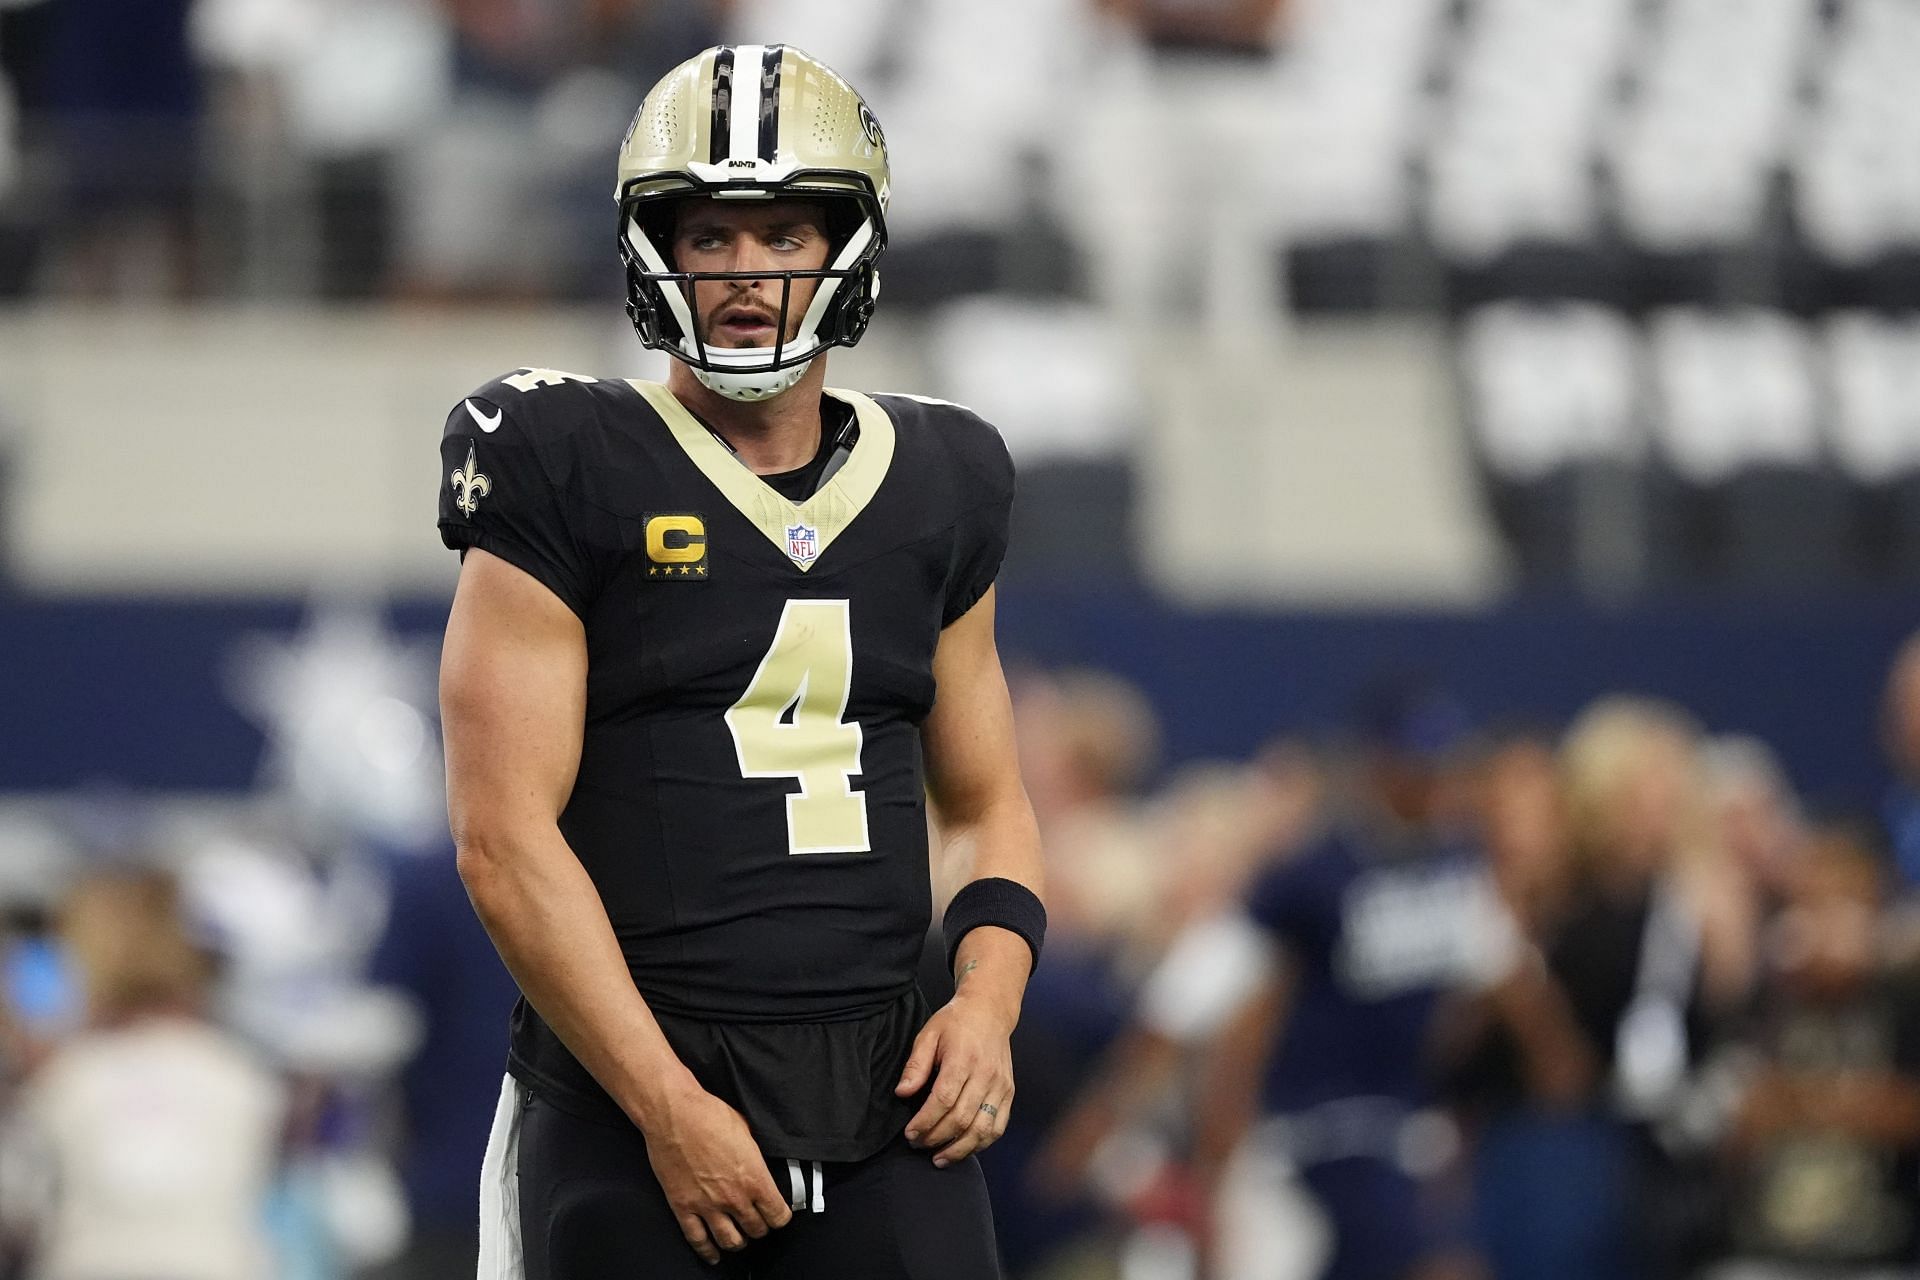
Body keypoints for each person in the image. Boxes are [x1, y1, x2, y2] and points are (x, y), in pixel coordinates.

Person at [437, 45, 1046, 1280]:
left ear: (849, 246)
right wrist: (664, 1102)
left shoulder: (944, 476)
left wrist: (985, 1005)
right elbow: (502, 835)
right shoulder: (563, 452)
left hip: (887, 1097)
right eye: (709, 236)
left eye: (783, 234)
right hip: (630, 1094)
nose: (748, 275)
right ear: (653, 248)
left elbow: (985, 806)